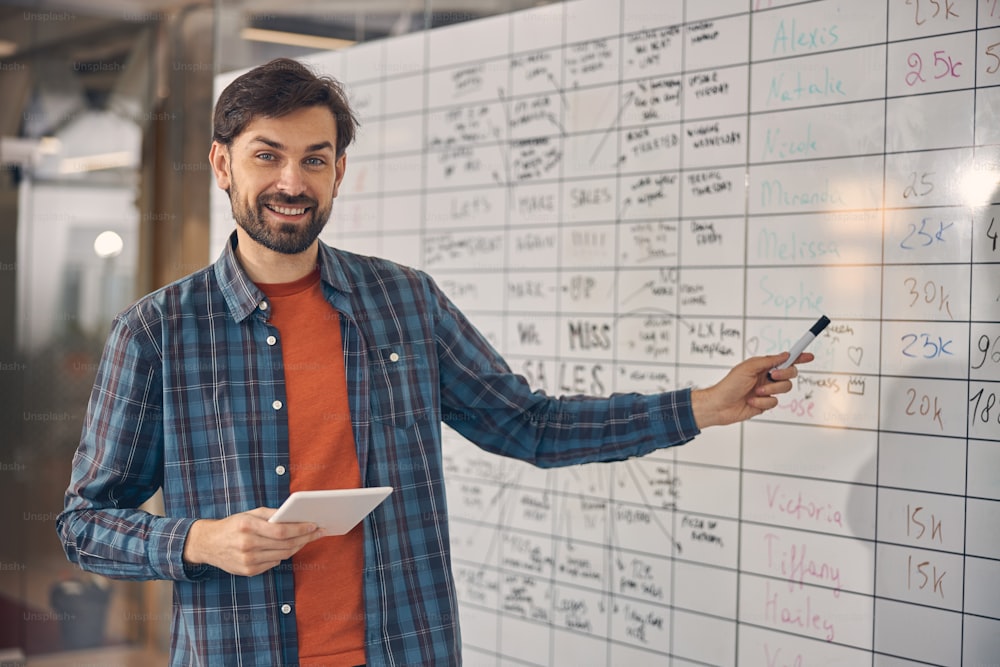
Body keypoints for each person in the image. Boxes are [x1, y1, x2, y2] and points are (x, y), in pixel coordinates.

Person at [57, 57, 812, 667]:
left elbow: (530, 425)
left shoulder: (405, 303)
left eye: (314, 160)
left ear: (339, 172)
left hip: (406, 648)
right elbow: (85, 523)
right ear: (223, 165)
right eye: (268, 156)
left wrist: (700, 406)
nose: (292, 182)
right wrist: (199, 540)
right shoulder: (155, 333)